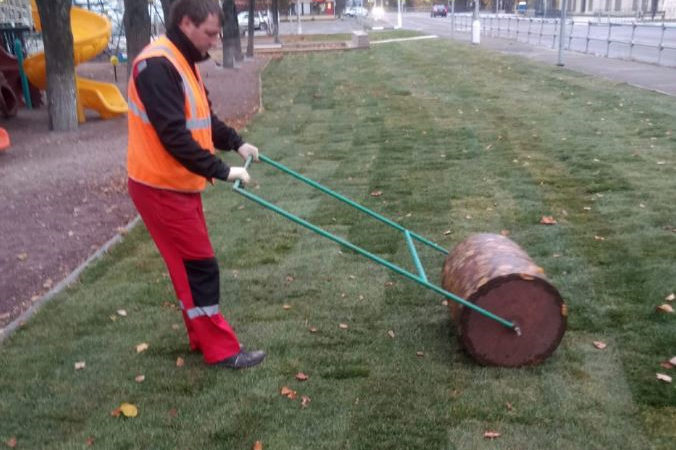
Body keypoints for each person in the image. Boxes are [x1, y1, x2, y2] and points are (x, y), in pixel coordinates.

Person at [126, 0, 265, 369]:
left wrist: (237, 143)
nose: (214, 41)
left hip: (178, 184)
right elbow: (174, 136)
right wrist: (223, 170)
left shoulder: (182, 61)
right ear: (186, 23)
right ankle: (221, 350)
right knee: (200, 266)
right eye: (209, 33)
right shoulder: (156, 66)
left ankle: (201, 338)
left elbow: (203, 120)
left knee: (189, 266)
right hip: (160, 186)